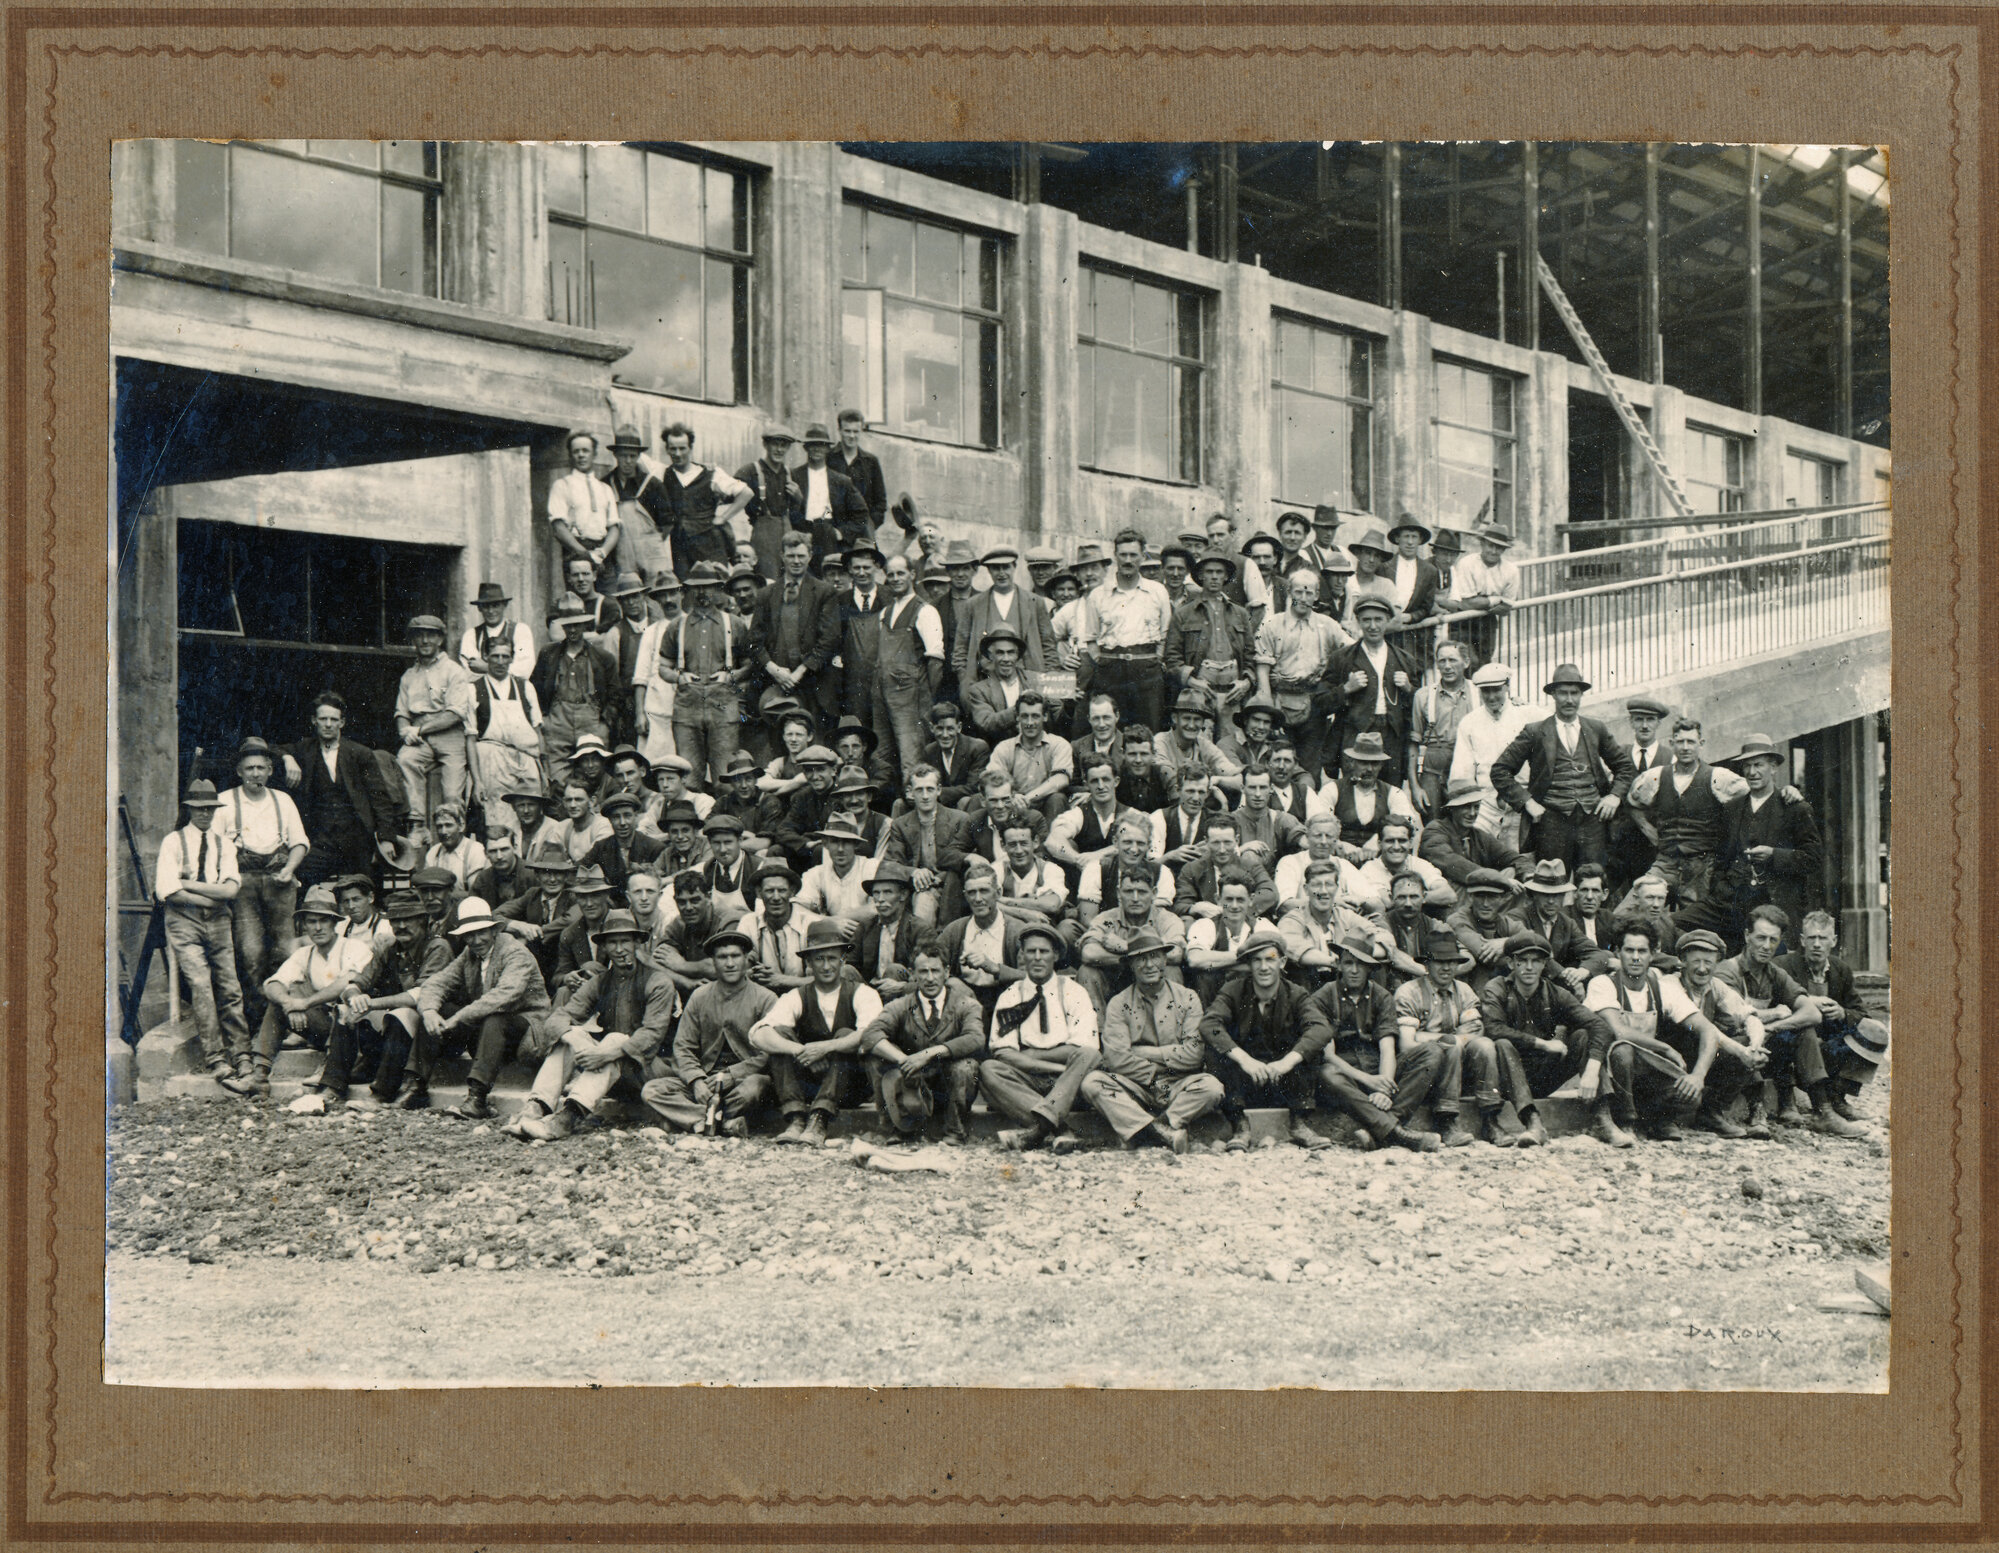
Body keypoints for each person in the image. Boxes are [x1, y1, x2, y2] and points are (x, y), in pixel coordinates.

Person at [509, 909, 676, 1140]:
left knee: (615, 1039)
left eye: (625, 941)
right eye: (612, 943)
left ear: (637, 942)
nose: (619, 949)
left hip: (650, 1071)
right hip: (611, 1074)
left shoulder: (657, 981)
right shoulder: (600, 982)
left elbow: (651, 1035)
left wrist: (606, 1054)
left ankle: (567, 1118)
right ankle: (535, 1109)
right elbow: (557, 1019)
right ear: (604, 947)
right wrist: (575, 1040)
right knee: (570, 1036)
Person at [1578, 916, 1736, 1147]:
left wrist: (1697, 1076)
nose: (1635, 957)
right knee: (1623, 1051)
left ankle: (1651, 1116)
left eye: (1642, 951)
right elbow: (1619, 1031)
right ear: (1617, 953)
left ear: (1653, 954)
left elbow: (1706, 1030)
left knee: (1691, 1097)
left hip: (1645, 1071)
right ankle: (1626, 1121)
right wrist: (1665, 1047)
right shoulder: (1603, 984)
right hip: (1611, 1069)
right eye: (1628, 950)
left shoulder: (1661, 990)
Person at [1715, 906, 1864, 1137]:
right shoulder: (1728, 971)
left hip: (1760, 1045)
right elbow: (1732, 1018)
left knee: (1804, 1030)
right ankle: (1758, 1109)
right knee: (1755, 1037)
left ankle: (1823, 1111)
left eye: (1773, 940)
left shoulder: (1774, 973)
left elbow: (1812, 1014)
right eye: (1760, 938)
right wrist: (1774, 1013)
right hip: (1729, 1050)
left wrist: (1770, 1027)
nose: (1766, 946)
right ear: (1747, 936)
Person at [227, 883, 376, 1106]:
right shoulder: (304, 954)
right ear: (304, 925)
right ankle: (258, 1078)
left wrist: (303, 1003)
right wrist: (289, 1003)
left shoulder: (353, 947)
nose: (317, 928)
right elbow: (273, 984)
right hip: (324, 1027)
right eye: (311, 921)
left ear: (335, 922)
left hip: (356, 1031)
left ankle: (330, 1075)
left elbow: (345, 984)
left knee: (342, 1004)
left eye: (323, 920)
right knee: (277, 1004)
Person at [1076, 930, 1221, 1154]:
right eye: (1140, 959)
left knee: (1211, 1087)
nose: (1149, 964)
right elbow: (1115, 1059)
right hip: (1136, 1087)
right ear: (1131, 965)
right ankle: (1161, 1131)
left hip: (1178, 1084)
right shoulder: (1119, 1003)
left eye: (1155, 956)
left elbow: (1194, 1054)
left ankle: (1147, 1130)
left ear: (1164, 960)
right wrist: (1155, 1073)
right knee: (1093, 1083)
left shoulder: (1188, 997)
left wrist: (1141, 1052)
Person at [411, 896, 550, 1119]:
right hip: (488, 1033)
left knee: (495, 1017)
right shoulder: (471, 955)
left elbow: (504, 996)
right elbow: (437, 982)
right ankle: (415, 1086)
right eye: (469, 934)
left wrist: (460, 1016)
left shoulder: (515, 952)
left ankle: (478, 1097)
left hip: (526, 1031)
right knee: (440, 1011)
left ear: (493, 931)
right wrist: (428, 1011)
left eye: (481, 932)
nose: (476, 940)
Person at [1490, 662, 1637, 874]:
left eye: (1574, 693)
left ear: (1581, 695)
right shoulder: (1536, 731)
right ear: (1553, 695)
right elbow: (1500, 770)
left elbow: (1624, 766)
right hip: (1551, 824)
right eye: (1563, 693)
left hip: (1592, 821)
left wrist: (1614, 796)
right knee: (1553, 881)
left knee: (1592, 879)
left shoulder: (1596, 729)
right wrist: (1527, 802)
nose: (1569, 700)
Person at [1308, 932, 1448, 1152]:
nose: (1354, 970)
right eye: (1348, 963)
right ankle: (1397, 1133)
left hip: (1377, 1067)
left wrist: (1383, 1087)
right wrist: (1368, 1080)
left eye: (1360, 965)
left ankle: (1380, 1129)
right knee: (1326, 1073)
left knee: (1431, 1052)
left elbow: (1387, 1048)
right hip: (1346, 1075)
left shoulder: (1381, 996)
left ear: (1369, 968)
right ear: (1339, 965)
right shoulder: (1323, 996)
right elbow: (1329, 1055)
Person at [748, 918, 884, 1144]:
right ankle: (796, 1118)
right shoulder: (797, 996)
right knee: (779, 1032)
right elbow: (758, 1034)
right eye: (819, 959)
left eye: (832, 958)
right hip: (809, 1084)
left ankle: (820, 1118)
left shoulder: (863, 993)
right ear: (808, 962)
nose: (826, 966)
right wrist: (801, 1050)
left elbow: (870, 1034)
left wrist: (825, 1048)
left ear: (843, 959)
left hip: (851, 1087)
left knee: (844, 1035)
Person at [1198, 932, 1335, 1151]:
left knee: (1311, 1048)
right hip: (1243, 1082)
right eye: (1257, 960)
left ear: (1282, 962)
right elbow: (1209, 1025)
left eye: (1270, 959)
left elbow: (1320, 1028)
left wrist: (1286, 1062)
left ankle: (1299, 1123)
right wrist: (1245, 1060)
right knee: (1217, 1048)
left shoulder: (1296, 994)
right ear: (1249, 964)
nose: (1263, 967)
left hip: (1283, 1081)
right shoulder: (1233, 991)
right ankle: (1239, 1126)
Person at [1477, 929, 1615, 1147]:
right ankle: (1533, 1122)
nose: (1530, 967)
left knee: (1582, 1036)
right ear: (1511, 964)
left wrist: (1592, 1069)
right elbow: (1494, 1029)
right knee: (1502, 1044)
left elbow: (1600, 1026)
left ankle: (1603, 1119)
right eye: (1522, 961)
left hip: (1544, 1075)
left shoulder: (1554, 992)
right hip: (1509, 1078)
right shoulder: (1497, 988)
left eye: (1536, 961)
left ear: (1544, 965)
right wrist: (1541, 1043)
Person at [154, 777, 250, 1085]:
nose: (205, 814)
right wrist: (212, 893)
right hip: (184, 920)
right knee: (200, 983)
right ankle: (216, 1057)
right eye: (198, 809)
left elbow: (232, 891)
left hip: (219, 920)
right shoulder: (173, 841)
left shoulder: (225, 845)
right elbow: (169, 893)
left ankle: (242, 1054)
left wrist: (189, 883)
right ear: (189, 810)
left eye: (210, 808)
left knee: (230, 985)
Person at [217, 737, 309, 1047]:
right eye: (249, 768)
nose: (255, 774)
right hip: (244, 885)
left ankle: (293, 1020)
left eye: (261, 768)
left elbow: (299, 842)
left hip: (279, 881)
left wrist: (290, 869)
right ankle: (260, 1022)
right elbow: (215, 848)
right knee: (251, 952)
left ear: (270, 770)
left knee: (286, 951)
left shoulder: (283, 800)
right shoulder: (225, 802)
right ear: (239, 772)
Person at [641, 929, 778, 1135]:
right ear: (713, 962)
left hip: (743, 1080)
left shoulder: (766, 998)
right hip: (706, 1080)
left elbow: (769, 1053)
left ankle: (692, 1121)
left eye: (735, 956)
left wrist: (734, 1074)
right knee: (652, 1090)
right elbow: (683, 1046)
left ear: (746, 960)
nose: (730, 964)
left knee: (755, 1087)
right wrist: (696, 1081)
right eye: (722, 957)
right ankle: (721, 1123)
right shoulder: (700, 996)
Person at [983, 923, 1101, 1152]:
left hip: (1068, 1081)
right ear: (1022, 955)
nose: (1037, 958)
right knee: (989, 1069)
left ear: (1055, 955)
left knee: (1089, 1055)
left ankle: (1039, 1130)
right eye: (1031, 951)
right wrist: (1053, 1066)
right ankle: (1059, 1129)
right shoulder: (1011, 995)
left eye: (1044, 952)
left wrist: (1031, 1055)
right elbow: (1004, 1054)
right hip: (1031, 1081)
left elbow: (1082, 1048)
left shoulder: (1074, 991)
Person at [855, 938, 984, 1144]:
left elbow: (976, 1038)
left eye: (936, 971)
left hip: (947, 1085)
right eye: (923, 972)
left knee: (967, 1067)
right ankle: (894, 1126)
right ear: (913, 974)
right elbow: (871, 1034)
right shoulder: (902, 1004)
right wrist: (904, 1060)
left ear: (947, 972)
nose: (930, 978)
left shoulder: (966, 1004)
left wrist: (928, 1054)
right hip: (911, 1084)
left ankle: (954, 1130)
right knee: (875, 1057)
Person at [342, 889, 454, 1110]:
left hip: (439, 1028)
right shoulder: (391, 948)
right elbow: (358, 982)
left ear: (422, 921)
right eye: (396, 921)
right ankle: (333, 1085)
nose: (401, 926)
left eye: (408, 920)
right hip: (406, 1026)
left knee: (400, 1014)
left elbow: (419, 995)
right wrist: (354, 997)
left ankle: (382, 1093)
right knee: (343, 1010)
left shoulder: (437, 947)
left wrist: (370, 1003)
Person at [278, 691, 403, 887]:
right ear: (314, 721)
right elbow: (271, 748)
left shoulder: (360, 753)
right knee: (299, 883)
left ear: (342, 723)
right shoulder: (305, 749)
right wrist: (287, 758)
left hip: (357, 839)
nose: (328, 724)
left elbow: (380, 798)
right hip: (322, 839)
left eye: (333, 719)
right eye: (323, 719)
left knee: (367, 888)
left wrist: (387, 838)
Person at [1621, 716, 1744, 912]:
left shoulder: (1718, 777)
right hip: (1665, 862)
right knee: (1628, 911)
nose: (1685, 747)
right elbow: (1633, 802)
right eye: (1680, 742)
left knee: (1694, 922)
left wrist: (1789, 792)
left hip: (1701, 867)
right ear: (1671, 744)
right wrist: (1647, 828)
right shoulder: (1657, 776)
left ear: (1701, 744)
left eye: (1691, 742)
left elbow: (1754, 795)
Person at [1712, 734, 1824, 947]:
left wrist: (1775, 855)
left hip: (1779, 904)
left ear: (1773, 768)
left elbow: (1813, 859)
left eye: (1758, 765)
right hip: (1735, 904)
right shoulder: (1732, 809)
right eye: (1747, 765)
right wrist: (1721, 889)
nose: (1752, 772)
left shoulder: (1795, 808)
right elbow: (1720, 858)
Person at [653, 561, 756, 791]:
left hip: (723, 707)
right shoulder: (677, 626)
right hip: (687, 709)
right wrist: (678, 678)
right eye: (697, 587)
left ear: (717, 589)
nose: (702, 593)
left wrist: (732, 677)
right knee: (689, 778)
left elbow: (750, 664)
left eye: (708, 587)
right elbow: (663, 666)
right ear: (688, 590)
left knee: (726, 778)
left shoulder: (734, 624)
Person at [1777, 910, 1889, 1121]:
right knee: (1791, 1035)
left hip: (1828, 1044)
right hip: (1797, 1039)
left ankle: (1837, 1097)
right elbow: (1777, 1005)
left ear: (1833, 941)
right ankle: (1787, 1099)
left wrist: (1842, 1013)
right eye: (1811, 938)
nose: (1817, 944)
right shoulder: (1784, 966)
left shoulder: (1841, 970)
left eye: (1822, 938)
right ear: (1802, 940)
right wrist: (1807, 1003)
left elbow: (1860, 1012)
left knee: (1874, 1031)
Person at [1392, 928, 1492, 1147]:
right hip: (1418, 1071)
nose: (1446, 967)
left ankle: (1490, 1118)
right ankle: (1445, 1121)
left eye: (1451, 962)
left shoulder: (1463, 990)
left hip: (1455, 1073)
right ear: (1426, 964)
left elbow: (1476, 1030)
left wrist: (1428, 1036)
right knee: (1452, 1045)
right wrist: (1450, 1038)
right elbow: (1407, 1043)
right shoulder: (1409, 992)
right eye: (1439, 961)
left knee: (1483, 1045)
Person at [1253, 568, 1350, 781]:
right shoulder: (1272, 625)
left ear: (1316, 595)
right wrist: (1268, 705)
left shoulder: (1327, 626)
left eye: (1309, 593)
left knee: (1310, 767)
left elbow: (1350, 650)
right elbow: (1262, 664)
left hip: (1313, 703)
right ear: (1290, 593)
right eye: (1298, 592)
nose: (1303, 598)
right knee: (1278, 761)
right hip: (1280, 702)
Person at [1081, 529, 1174, 733]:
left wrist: (1154, 660)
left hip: (1147, 670)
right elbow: (1090, 639)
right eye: (1123, 555)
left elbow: (1166, 635)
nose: (1128, 560)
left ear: (1142, 556)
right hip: (1111, 670)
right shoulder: (1098, 595)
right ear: (1115, 556)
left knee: (1149, 729)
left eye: (1133, 555)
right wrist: (1105, 662)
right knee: (1112, 728)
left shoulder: (1157, 592)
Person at [1324, 595, 1422, 785]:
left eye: (1378, 619)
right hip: (1356, 736)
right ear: (1359, 622)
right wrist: (1346, 689)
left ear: (1387, 621)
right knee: (1355, 790)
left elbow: (1420, 703)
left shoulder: (1404, 659)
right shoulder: (1342, 659)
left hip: (1392, 736)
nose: (1373, 626)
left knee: (1391, 792)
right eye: (1366, 620)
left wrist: (1409, 688)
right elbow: (1321, 701)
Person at [749, 530, 842, 725]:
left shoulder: (824, 592)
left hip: (814, 683)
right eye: (791, 556)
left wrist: (800, 672)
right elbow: (754, 641)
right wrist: (774, 670)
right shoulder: (767, 594)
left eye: (801, 555)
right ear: (782, 556)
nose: (796, 561)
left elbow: (829, 639)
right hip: (777, 683)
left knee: (813, 737)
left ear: (810, 555)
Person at [871, 552, 947, 788]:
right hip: (882, 695)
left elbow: (935, 661)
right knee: (882, 757)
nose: (895, 578)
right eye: (890, 574)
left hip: (911, 699)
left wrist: (924, 697)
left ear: (912, 575)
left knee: (911, 759)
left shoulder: (925, 611)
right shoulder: (884, 614)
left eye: (900, 573)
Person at [531, 593, 621, 790]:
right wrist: (544, 719)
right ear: (562, 626)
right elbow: (533, 689)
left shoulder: (603, 658)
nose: (572, 630)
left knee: (593, 776)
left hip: (591, 723)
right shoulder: (548, 654)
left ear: (584, 625)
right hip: (557, 724)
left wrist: (605, 724)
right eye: (568, 625)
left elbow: (615, 695)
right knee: (557, 779)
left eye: (576, 624)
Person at [1076, 868, 1187, 1021]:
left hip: (1152, 980)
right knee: (1087, 971)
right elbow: (1089, 953)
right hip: (1117, 979)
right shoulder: (1107, 918)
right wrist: (1140, 956)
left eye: (1141, 892)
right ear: (1118, 893)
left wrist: (1125, 946)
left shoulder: (1166, 919)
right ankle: (1098, 1033)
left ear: (1154, 893)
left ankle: (1168, 1029)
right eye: (1129, 891)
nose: (1135, 898)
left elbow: (1175, 954)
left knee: (1171, 970)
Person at [1448, 662, 1535, 848]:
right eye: (1485, 691)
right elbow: (1462, 771)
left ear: (1507, 687)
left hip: (1523, 805)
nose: (1491, 696)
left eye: (1496, 690)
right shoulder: (1469, 723)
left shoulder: (1530, 716)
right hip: (1485, 806)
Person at [652, 421, 752, 580]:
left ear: (690, 448)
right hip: (680, 549)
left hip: (710, 546)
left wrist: (723, 517)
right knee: (686, 592)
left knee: (715, 590)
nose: (677, 453)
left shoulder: (711, 474)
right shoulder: (663, 474)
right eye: (673, 448)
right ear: (666, 449)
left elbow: (746, 493)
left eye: (682, 448)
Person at [879, 764, 975, 926]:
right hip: (920, 889)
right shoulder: (901, 824)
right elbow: (891, 864)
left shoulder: (960, 819)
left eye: (930, 789)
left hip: (953, 886)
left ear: (938, 790)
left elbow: (964, 859)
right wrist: (914, 872)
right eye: (919, 790)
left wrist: (937, 878)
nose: (925, 796)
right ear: (910, 792)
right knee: (924, 901)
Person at [464, 632, 545, 819]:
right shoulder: (474, 689)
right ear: (486, 657)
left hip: (525, 762)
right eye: (495, 656)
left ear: (512, 659)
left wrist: (543, 770)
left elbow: (537, 731)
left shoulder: (525, 687)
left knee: (528, 815)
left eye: (505, 656)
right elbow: (470, 739)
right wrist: (477, 781)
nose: (500, 662)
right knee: (496, 817)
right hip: (491, 763)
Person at [956, 544, 1060, 687]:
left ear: (1014, 567)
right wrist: (965, 679)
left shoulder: (1035, 602)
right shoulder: (973, 604)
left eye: (1005, 567)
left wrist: (1050, 678)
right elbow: (960, 648)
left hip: (1029, 681)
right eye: (995, 568)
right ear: (989, 571)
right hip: (985, 682)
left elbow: (1049, 646)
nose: (1001, 573)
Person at [1165, 550, 1257, 712]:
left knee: (1231, 737)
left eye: (1219, 572)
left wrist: (1245, 683)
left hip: (1232, 693)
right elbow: (1172, 658)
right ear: (1200, 576)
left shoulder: (1240, 613)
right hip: (1198, 691)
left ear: (1226, 577)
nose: (1214, 577)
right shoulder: (1184, 614)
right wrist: (1192, 681)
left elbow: (1250, 655)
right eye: (1209, 572)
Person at [939, 865, 1027, 1020]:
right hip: (966, 1000)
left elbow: (1032, 977)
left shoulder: (1018, 931)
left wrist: (994, 968)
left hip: (1005, 1000)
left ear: (998, 893)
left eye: (984, 891)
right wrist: (951, 981)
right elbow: (932, 965)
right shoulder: (954, 930)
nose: (978, 899)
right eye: (971, 893)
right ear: (965, 896)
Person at [1183, 871, 1280, 1004]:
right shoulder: (1206, 925)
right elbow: (1195, 959)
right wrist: (1246, 958)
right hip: (1214, 999)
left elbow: (1275, 960)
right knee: (1205, 976)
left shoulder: (1262, 925)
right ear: (1218, 899)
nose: (1234, 906)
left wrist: (1217, 963)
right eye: (1229, 899)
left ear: (1251, 900)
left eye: (1240, 900)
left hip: (1252, 999)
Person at [1418, 777, 1527, 891]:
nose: (1472, 813)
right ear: (1452, 809)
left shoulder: (1478, 835)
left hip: (1473, 897)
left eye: (1476, 807)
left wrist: (1528, 874)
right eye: (1466, 807)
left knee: (1512, 871)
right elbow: (1452, 863)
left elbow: (1511, 857)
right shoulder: (1435, 830)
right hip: (1446, 896)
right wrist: (1499, 879)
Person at [1408, 640, 1477, 818]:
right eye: (1442, 661)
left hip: (1468, 770)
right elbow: (1413, 746)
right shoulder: (1423, 696)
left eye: (1452, 660)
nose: (1447, 666)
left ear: (1466, 662)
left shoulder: (1478, 693)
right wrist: (1415, 787)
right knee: (1433, 826)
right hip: (1433, 772)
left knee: (1467, 824)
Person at [1173, 813, 1278, 923]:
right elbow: (1180, 904)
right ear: (1206, 842)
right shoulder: (1192, 869)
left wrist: (1230, 911)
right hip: (1207, 925)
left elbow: (1269, 893)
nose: (1222, 850)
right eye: (1216, 843)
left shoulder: (1249, 865)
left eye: (1227, 842)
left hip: (1244, 922)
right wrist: (1194, 908)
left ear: (1236, 841)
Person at [495, 843, 578, 981]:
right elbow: (495, 915)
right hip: (537, 962)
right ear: (537, 875)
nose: (552, 879)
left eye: (558, 873)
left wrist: (533, 933)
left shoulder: (573, 896)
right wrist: (518, 926)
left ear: (566, 876)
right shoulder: (532, 895)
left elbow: (569, 920)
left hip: (565, 964)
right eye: (546, 873)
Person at [989, 690, 1074, 824]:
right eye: (1024, 716)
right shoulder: (1004, 747)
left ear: (1045, 716)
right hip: (1013, 806)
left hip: (1046, 805)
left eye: (1035, 716)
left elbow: (1061, 779)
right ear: (1017, 717)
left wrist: (1027, 798)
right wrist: (1013, 797)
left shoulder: (1059, 744)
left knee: (1057, 798)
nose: (1029, 722)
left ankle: (1050, 843)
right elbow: (992, 779)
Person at [791, 423, 872, 561]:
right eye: (812, 444)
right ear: (806, 447)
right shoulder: (794, 476)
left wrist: (842, 532)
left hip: (830, 535)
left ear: (828, 448)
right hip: (803, 535)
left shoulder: (841, 480)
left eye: (821, 445)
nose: (817, 449)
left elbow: (862, 513)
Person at [547, 429, 621, 578]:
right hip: (576, 550)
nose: (581, 455)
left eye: (585, 451)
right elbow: (558, 527)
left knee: (608, 599)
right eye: (576, 451)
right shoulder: (562, 485)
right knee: (578, 600)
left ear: (594, 454)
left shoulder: (605, 488)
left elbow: (614, 527)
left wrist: (602, 553)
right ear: (570, 455)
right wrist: (584, 554)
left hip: (603, 553)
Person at [737, 425, 806, 581]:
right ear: (765, 445)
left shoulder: (791, 474)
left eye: (784, 445)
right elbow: (728, 495)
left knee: (790, 580)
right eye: (775, 444)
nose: (779, 450)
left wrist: (799, 499)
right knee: (767, 580)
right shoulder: (750, 472)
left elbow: (798, 512)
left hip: (787, 533)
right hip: (763, 536)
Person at [1347, 817, 1455, 916]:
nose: (1396, 847)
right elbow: (1387, 903)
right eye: (1390, 841)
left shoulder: (1419, 864)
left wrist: (1407, 897)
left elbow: (1449, 895)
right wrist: (1418, 896)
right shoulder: (1369, 869)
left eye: (1402, 840)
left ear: (1411, 843)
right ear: (1380, 844)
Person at [740, 862, 822, 994]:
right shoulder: (749, 923)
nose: (776, 897)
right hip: (765, 998)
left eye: (782, 890)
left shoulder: (811, 923)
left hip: (807, 998)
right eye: (769, 891)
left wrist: (781, 980)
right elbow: (740, 968)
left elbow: (826, 979)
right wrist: (753, 973)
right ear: (759, 893)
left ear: (792, 892)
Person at [1446, 523, 1520, 666]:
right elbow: (1466, 603)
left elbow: (1506, 607)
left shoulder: (1511, 570)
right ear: (1482, 543)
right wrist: (1496, 599)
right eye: (1490, 545)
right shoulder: (1467, 563)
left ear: (1504, 549)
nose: (1493, 551)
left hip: (1487, 622)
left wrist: (1481, 602)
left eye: (1498, 547)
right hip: (1462, 621)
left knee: (1484, 664)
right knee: (1465, 662)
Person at [1152, 692, 1243, 802]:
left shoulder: (1204, 745)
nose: (1191, 725)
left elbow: (1238, 779)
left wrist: (1217, 780)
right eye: (1187, 718)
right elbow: (1166, 774)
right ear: (1175, 718)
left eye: (1197, 719)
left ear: (1203, 722)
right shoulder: (1161, 741)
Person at [849, 862, 920, 1001]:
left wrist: (902, 986)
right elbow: (851, 963)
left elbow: (927, 974)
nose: (880, 899)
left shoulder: (918, 928)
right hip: (869, 990)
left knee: (895, 969)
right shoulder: (866, 926)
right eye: (876, 893)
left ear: (903, 895)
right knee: (846, 971)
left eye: (888, 892)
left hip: (900, 995)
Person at [797, 818, 878, 939]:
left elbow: (875, 908)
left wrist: (835, 920)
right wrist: (830, 923)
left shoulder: (871, 867)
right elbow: (798, 909)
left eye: (846, 842)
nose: (840, 849)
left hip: (867, 936)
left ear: (855, 844)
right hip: (833, 935)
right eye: (834, 842)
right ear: (825, 844)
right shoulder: (816, 873)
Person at [582, 790, 666, 897]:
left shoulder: (654, 847)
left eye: (627, 816)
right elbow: (580, 870)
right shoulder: (601, 847)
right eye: (616, 817)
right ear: (610, 820)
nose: (622, 822)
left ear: (636, 816)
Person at [961, 626, 1032, 741]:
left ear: (1017, 655)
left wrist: (1067, 704)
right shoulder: (979, 690)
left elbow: (1056, 717)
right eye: (1000, 653)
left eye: (1011, 652)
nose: (1006, 658)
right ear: (990, 656)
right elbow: (986, 723)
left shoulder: (1034, 680)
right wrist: (1019, 708)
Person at [459, 580, 538, 681]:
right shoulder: (471, 635)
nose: (491, 611)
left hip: (514, 691)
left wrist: (485, 667)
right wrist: (505, 669)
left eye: (495, 605)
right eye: (486, 606)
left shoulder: (520, 630)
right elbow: (470, 674)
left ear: (504, 605)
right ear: (479, 608)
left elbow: (524, 671)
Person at [919, 699, 988, 809]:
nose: (945, 735)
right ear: (932, 728)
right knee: (900, 804)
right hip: (939, 805)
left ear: (959, 727)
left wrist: (938, 792)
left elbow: (973, 787)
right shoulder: (929, 751)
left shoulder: (977, 747)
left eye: (950, 728)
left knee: (966, 801)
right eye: (940, 729)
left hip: (965, 805)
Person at [421, 802, 487, 890]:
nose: (443, 831)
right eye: (439, 826)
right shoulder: (433, 853)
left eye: (448, 825)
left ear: (461, 826)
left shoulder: (476, 850)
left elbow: (475, 893)